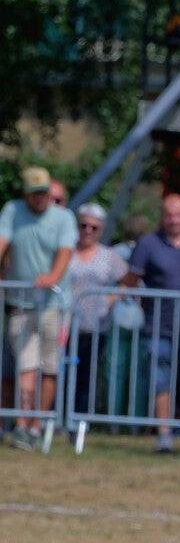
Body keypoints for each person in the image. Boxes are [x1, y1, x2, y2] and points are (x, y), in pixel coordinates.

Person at [124, 193, 180, 453]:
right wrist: (144, 304)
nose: (174, 220)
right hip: (157, 325)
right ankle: (164, 434)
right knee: (160, 379)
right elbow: (131, 279)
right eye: (169, 215)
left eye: (178, 214)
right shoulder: (148, 244)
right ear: (162, 217)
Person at [0, 166, 77, 447]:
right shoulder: (12, 211)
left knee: (50, 367)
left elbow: (65, 252)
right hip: (21, 303)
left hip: (55, 305)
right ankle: (22, 425)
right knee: (26, 366)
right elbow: (2, 241)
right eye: (34, 193)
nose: (40, 198)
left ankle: (38, 425)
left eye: (43, 192)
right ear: (26, 193)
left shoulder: (64, 217)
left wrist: (52, 277)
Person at [61, 202, 130, 425]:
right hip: (64, 324)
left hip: (95, 326)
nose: (88, 231)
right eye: (84, 225)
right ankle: (55, 420)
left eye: (94, 227)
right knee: (59, 371)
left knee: (86, 375)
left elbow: (128, 281)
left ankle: (79, 421)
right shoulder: (66, 251)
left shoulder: (109, 256)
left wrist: (112, 298)